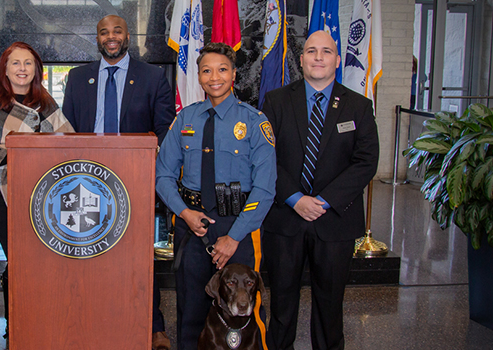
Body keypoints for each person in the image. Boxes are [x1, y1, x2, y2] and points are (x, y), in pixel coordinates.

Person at [61, 14, 175, 349]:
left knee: (139, 255)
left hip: (134, 182)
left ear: (127, 36)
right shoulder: (79, 78)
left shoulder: (153, 77)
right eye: (104, 32)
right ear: (96, 38)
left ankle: (153, 325)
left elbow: (166, 133)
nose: (111, 37)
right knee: (91, 253)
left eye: (117, 31)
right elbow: (67, 129)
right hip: (86, 181)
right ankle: (93, 317)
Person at [261, 30, 379, 350]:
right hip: (285, 218)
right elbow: (263, 157)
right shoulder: (276, 101)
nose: (318, 57)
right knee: (282, 304)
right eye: (311, 51)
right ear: (301, 60)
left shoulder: (358, 106)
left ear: (337, 60)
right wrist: (296, 199)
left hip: (335, 221)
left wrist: (324, 201)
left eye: (326, 51)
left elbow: (366, 163)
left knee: (330, 307)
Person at [155, 42, 275, 350]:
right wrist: (184, 213)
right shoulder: (186, 119)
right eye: (206, 71)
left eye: (222, 69)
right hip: (191, 224)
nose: (214, 77)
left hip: (238, 224)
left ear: (234, 74)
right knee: (191, 310)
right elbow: (162, 174)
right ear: (198, 76)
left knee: (245, 313)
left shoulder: (253, 122)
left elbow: (265, 187)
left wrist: (234, 237)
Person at [0, 41, 74, 338]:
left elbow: (68, 141)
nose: (22, 69)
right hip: (3, 192)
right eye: (16, 63)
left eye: (28, 63)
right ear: (5, 68)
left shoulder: (46, 103)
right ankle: (15, 322)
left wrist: (22, 148)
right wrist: (25, 146)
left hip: (42, 195)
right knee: (17, 258)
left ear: (36, 70)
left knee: (40, 257)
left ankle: (41, 314)